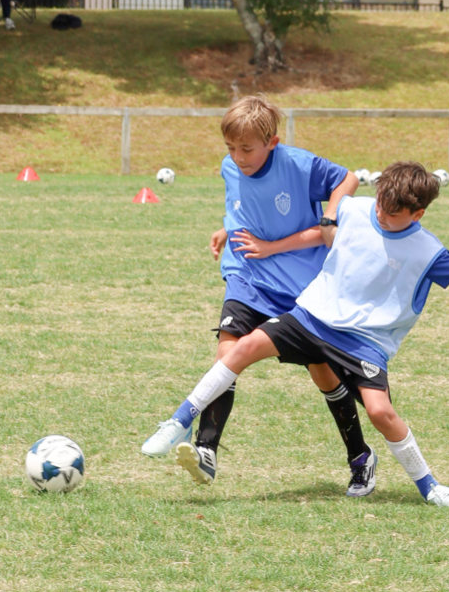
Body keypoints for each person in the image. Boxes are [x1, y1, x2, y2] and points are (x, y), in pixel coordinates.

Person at [151, 160, 449, 509]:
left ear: (418, 214)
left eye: (392, 215)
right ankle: (180, 421)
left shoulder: (427, 249)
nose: (381, 215)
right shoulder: (356, 208)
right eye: (380, 205)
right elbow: (309, 227)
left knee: (380, 411)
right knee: (243, 347)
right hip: (313, 316)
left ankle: (430, 487)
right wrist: (232, 228)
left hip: (366, 341)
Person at [143, 95, 379, 498]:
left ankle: (360, 457)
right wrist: (226, 230)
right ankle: (206, 450)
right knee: (227, 353)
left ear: (272, 141)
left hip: (299, 286)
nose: (237, 157)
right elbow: (241, 207)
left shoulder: (297, 164)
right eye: (230, 148)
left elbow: (349, 179)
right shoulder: (229, 167)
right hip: (247, 277)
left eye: (246, 149)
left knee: (323, 373)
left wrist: (329, 214)